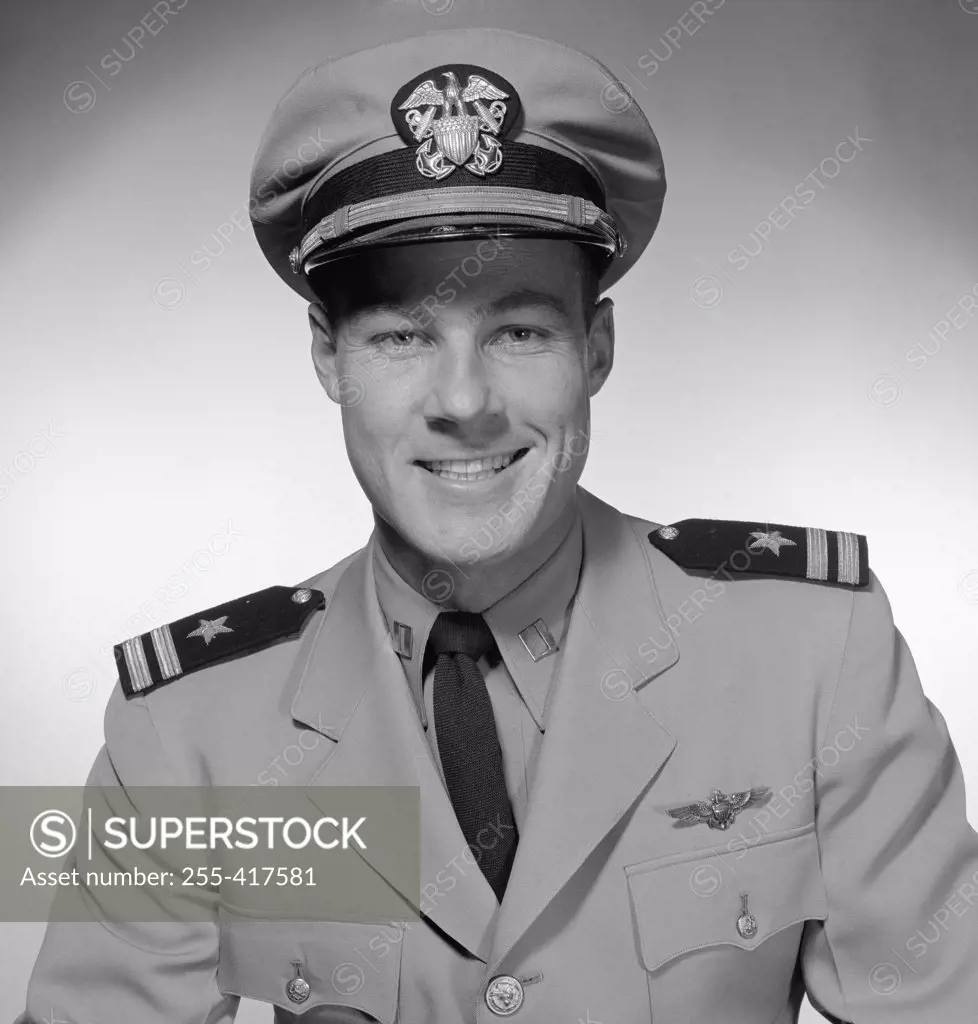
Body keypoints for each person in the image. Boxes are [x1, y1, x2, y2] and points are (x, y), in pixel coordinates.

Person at [20, 26, 978, 1024]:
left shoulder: (814, 652)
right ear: (327, 358)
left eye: (520, 330)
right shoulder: (189, 731)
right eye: (401, 336)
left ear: (596, 347)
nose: (465, 398)